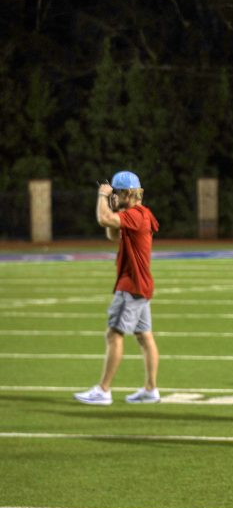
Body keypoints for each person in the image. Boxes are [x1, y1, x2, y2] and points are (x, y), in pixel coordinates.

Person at [75, 171, 162, 405]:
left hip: (132, 285)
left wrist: (102, 196)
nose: (113, 195)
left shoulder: (135, 214)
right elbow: (113, 234)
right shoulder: (138, 213)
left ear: (127, 193)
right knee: (144, 336)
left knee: (114, 334)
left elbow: (104, 220)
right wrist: (114, 208)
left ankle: (103, 390)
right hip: (140, 284)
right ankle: (151, 389)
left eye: (116, 192)